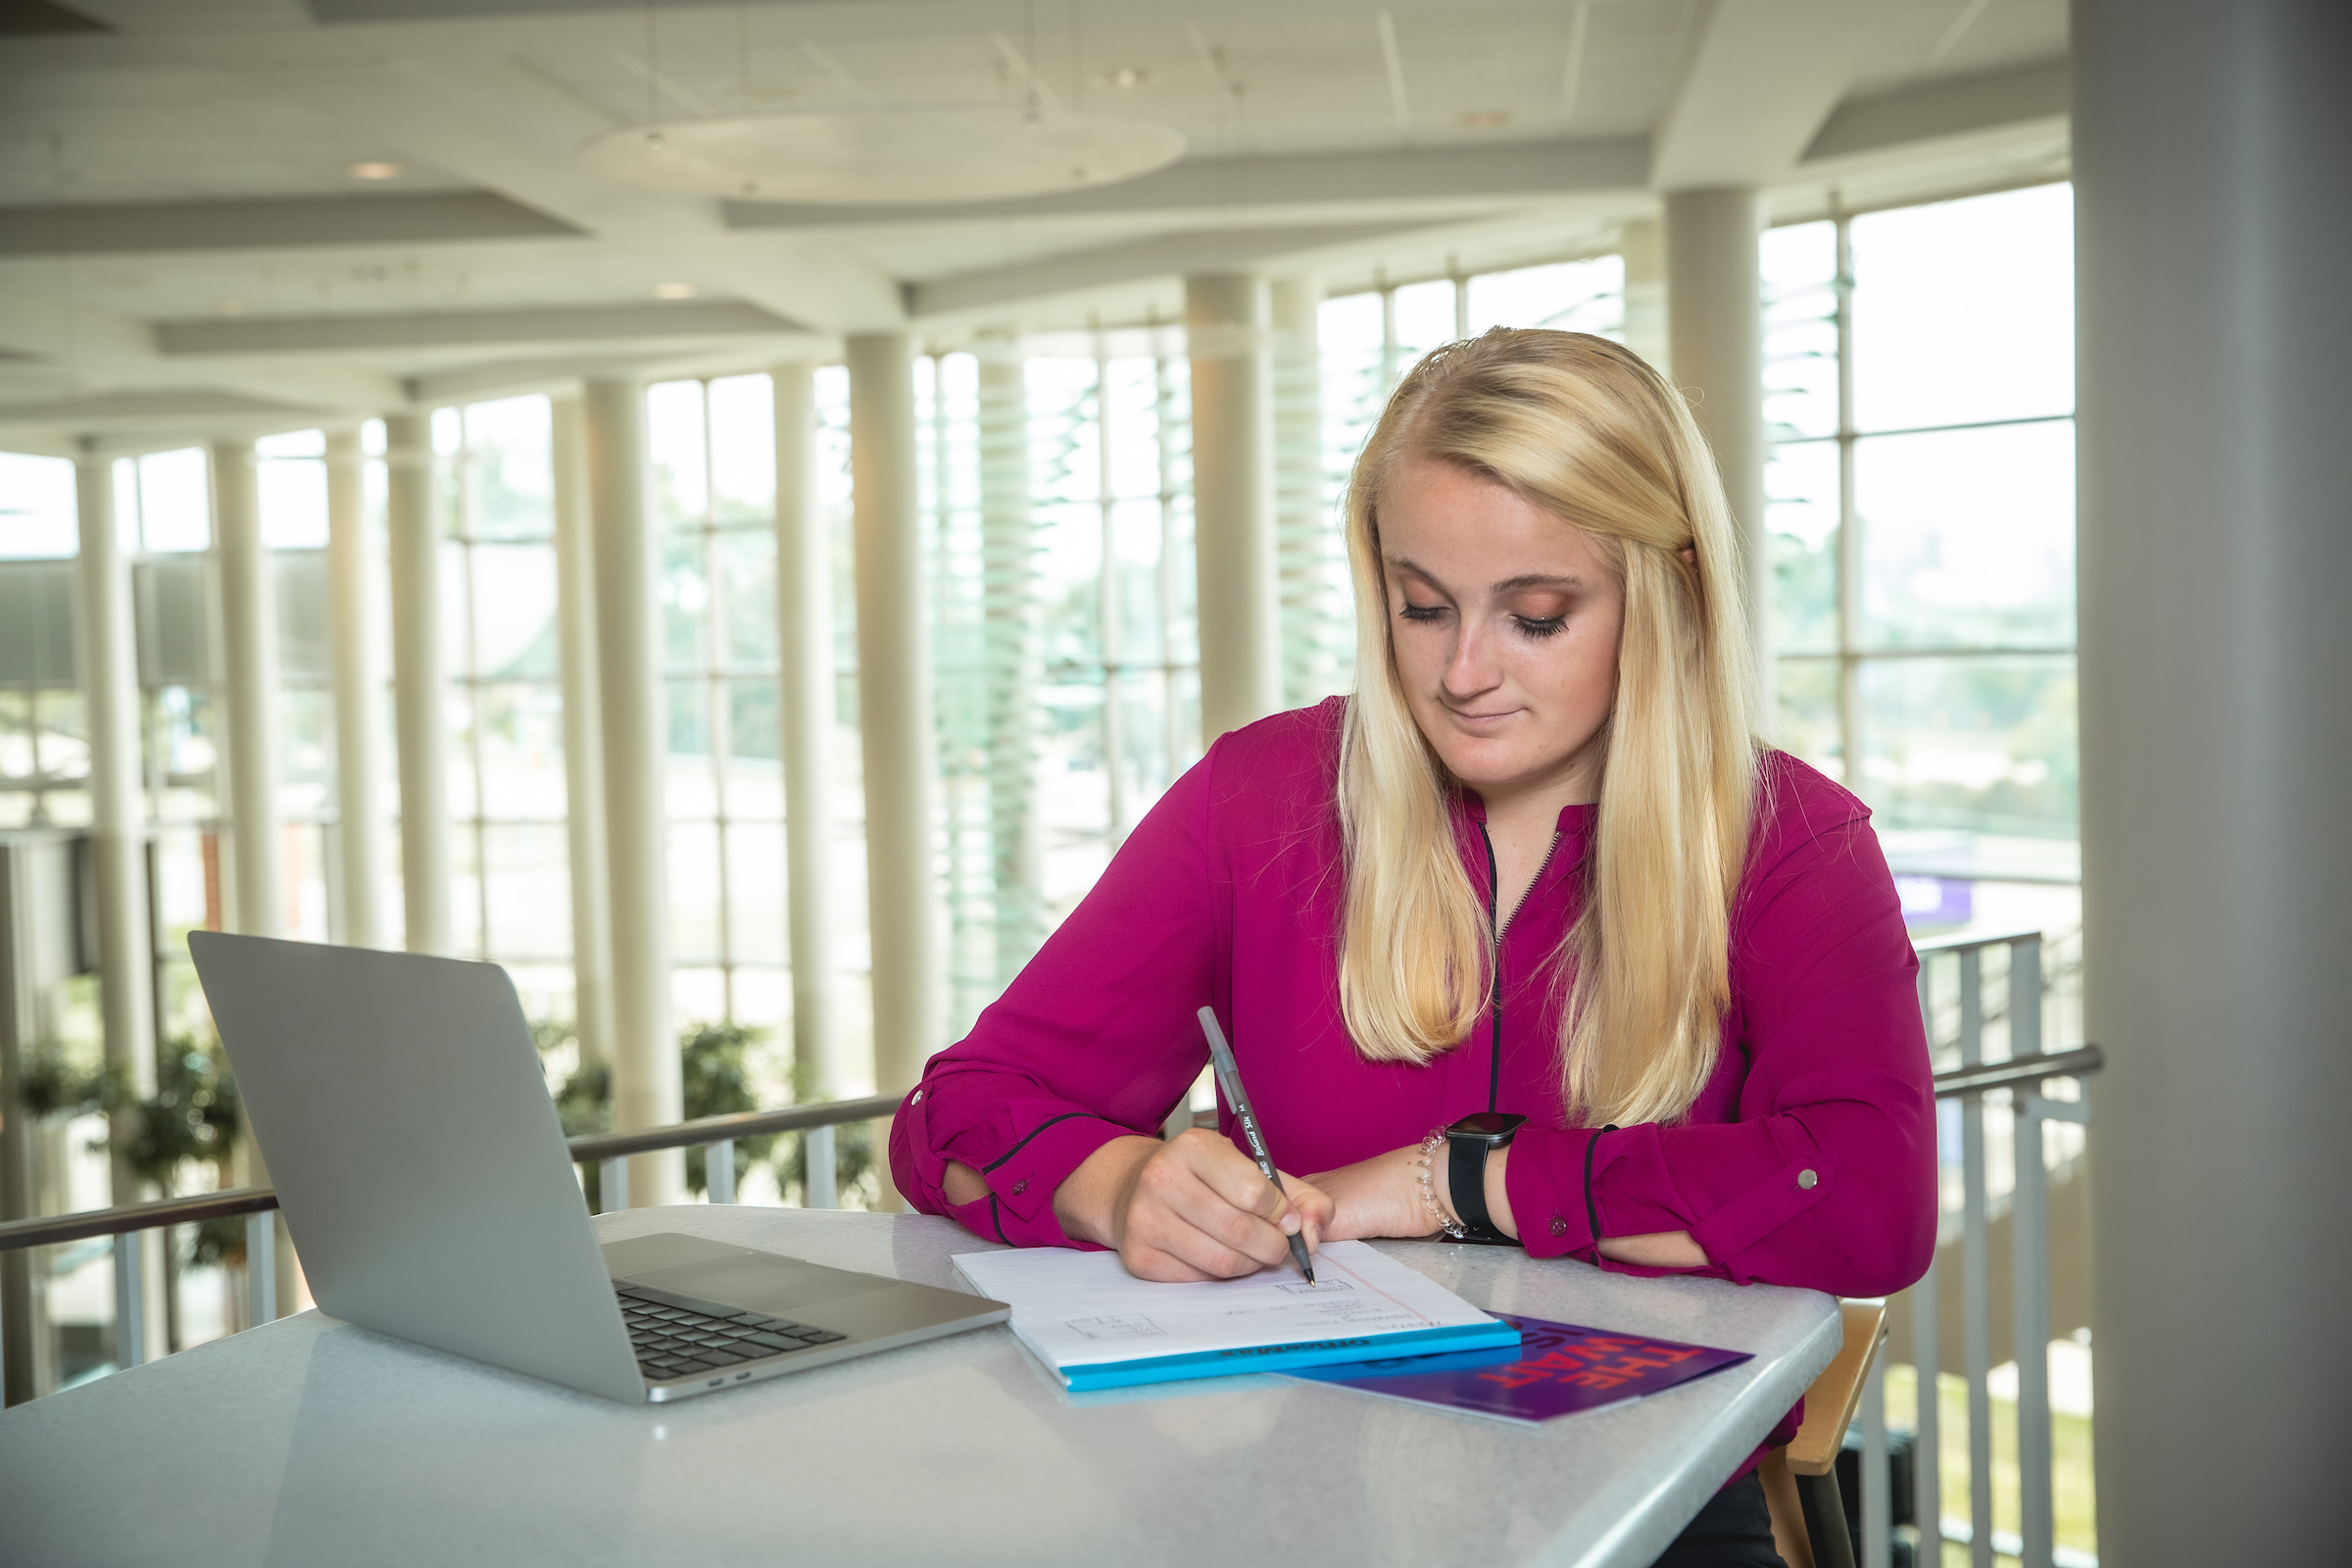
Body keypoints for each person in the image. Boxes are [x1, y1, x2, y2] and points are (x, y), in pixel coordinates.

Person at [890, 328, 1936, 1567]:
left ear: (1668, 592)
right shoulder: (1263, 798)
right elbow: (949, 1119)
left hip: (1652, 1501)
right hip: (1289, 1489)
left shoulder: (1790, 842)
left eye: (1536, 616)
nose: (1461, 672)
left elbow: (1866, 1199)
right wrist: (1114, 1183)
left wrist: (1464, 1181)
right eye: (1421, 605)